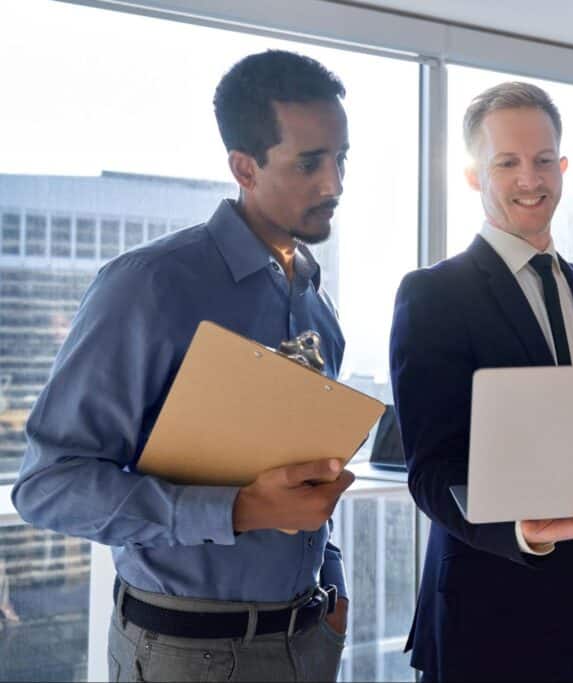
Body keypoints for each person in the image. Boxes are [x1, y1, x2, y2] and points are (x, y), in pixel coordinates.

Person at [12, 50, 355, 682]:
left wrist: (329, 591)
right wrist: (240, 510)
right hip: (186, 653)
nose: (334, 183)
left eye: (341, 158)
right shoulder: (149, 286)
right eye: (310, 162)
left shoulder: (316, 303)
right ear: (243, 167)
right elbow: (48, 487)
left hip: (307, 639)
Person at [389, 81, 573, 682]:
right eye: (506, 162)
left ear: (562, 167)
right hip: (484, 615)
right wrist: (521, 531)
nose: (528, 179)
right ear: (472, 174)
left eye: (541, 161)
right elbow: (430, 471)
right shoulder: (433, 295)